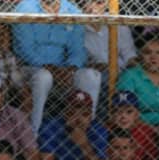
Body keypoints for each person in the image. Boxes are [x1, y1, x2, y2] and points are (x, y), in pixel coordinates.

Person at [12, 0, 101, 132]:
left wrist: (70, 69)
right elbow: (25, 49)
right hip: (29, 68)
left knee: (91, 76)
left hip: (63, 70)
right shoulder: (25, 7)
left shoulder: (72, 11)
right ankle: (33, 132)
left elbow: (78, 50)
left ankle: (87, 130)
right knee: (44, 77)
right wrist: (52, 69)